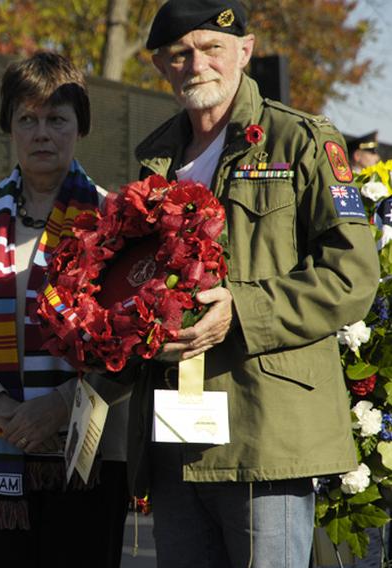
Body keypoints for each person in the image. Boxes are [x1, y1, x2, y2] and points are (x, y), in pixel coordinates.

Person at [127, 1, 381, 566]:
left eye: (212, 48)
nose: (198, 63)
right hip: (175, 439)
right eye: (179, 54)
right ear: (162, 67)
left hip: (266, 433)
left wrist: (240, 310)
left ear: (245, 51)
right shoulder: (155, 160)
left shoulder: (301, 140)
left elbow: (352, 274)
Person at [0, 52, 130, 567]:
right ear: (9, 127)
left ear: (80, 127)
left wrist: (57, 405)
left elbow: (128, 343)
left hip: (87, 457)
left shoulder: (113, 218)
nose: (42, 133)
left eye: (57, 119)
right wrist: (2, 411)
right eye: (28, 119)